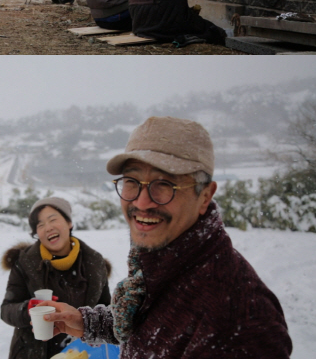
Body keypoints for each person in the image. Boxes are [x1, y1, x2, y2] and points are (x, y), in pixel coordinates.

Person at [40, 116, 293, 359]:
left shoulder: (239, 320)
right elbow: (151, 330)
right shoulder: (159, 266)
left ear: (205, 196)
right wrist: (87, 322)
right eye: (132, 180)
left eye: (164, 184)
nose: (142, 202)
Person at [0, 197, 111, 359]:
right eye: (40, 225)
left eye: (53, 219)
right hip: (32, 353)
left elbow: (106, 309)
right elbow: (6, 310)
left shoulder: (94, 262)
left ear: (69, 223)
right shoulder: (25, 263)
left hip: (81, 353)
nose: (48, 228)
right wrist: (28, 309)